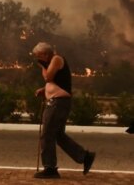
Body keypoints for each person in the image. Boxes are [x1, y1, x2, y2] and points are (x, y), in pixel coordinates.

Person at [32, 42, 95, 179]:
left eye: (39, 56)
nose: (38, 59)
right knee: (59, 136)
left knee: (47, 134)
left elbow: (48, 77)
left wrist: (43, 66)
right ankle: (84, 156)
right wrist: (45, 90)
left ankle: (50, 168)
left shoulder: (56, 59)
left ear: (45, 54)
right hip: (57, 102)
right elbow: (56, 82)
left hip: (58, 103)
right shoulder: (51, 61)